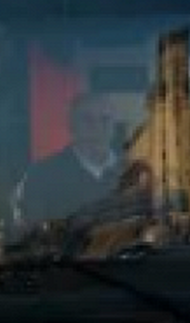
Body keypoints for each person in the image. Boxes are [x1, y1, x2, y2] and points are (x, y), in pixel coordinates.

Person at [11, 92, 126, 234]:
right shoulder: (42, 176)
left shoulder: (131, 171)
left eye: (105, 120)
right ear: (72, 126)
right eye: (87, 120)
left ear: (115, 127)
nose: (97, 128)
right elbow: (32, 235)